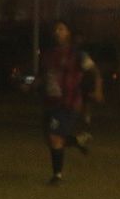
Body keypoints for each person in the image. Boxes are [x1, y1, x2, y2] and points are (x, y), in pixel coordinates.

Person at [40, 19, 101, 185]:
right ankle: (78, 141)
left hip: (69, 102)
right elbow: (46, 77)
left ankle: (57, 176)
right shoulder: (48, 54)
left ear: (68, 33)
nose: (57, 32)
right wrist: (32, 85)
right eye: (56, 29)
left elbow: (94, 71)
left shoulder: (77, 54)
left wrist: (98, 90)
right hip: (51, 102)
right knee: (51, 139)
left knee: (54, 138)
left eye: (61, 29)